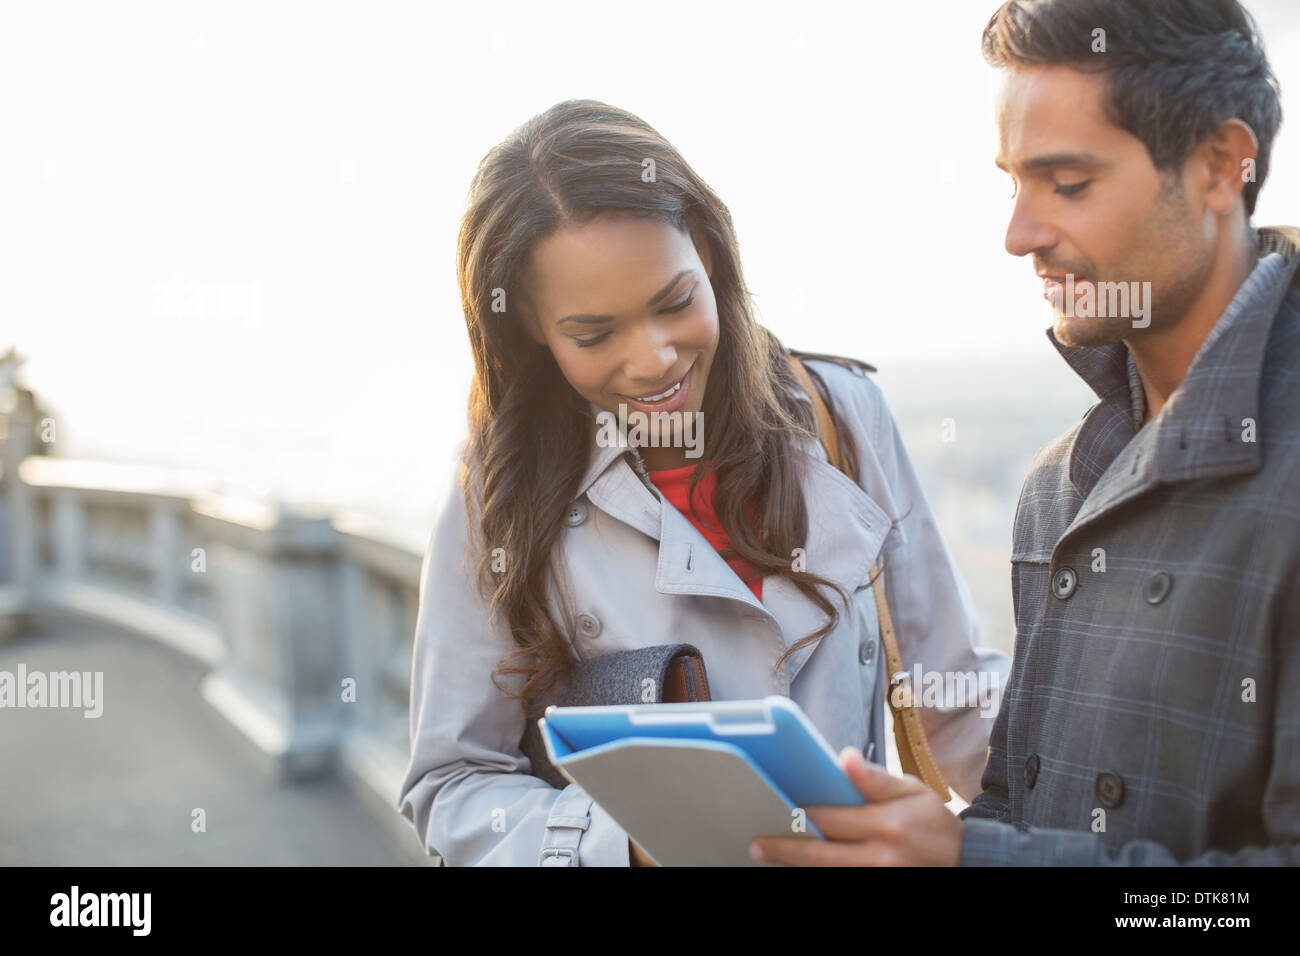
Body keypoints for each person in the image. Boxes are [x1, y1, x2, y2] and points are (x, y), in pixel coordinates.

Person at [753, 0, 1300, 867]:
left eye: (1069, 185)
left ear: (1222, 166)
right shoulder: (1060, 488)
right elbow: (1014, 801)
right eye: (1014, 183)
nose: (1019, 237)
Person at [396, 98, 1009, 866]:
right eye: (594, 334)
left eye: (675, 302)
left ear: (710, 255)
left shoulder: (843, 416)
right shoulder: (497, 491)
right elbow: (452, 785)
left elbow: (952, 698)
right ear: (527, 324)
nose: (653, 358)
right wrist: (630, 844)